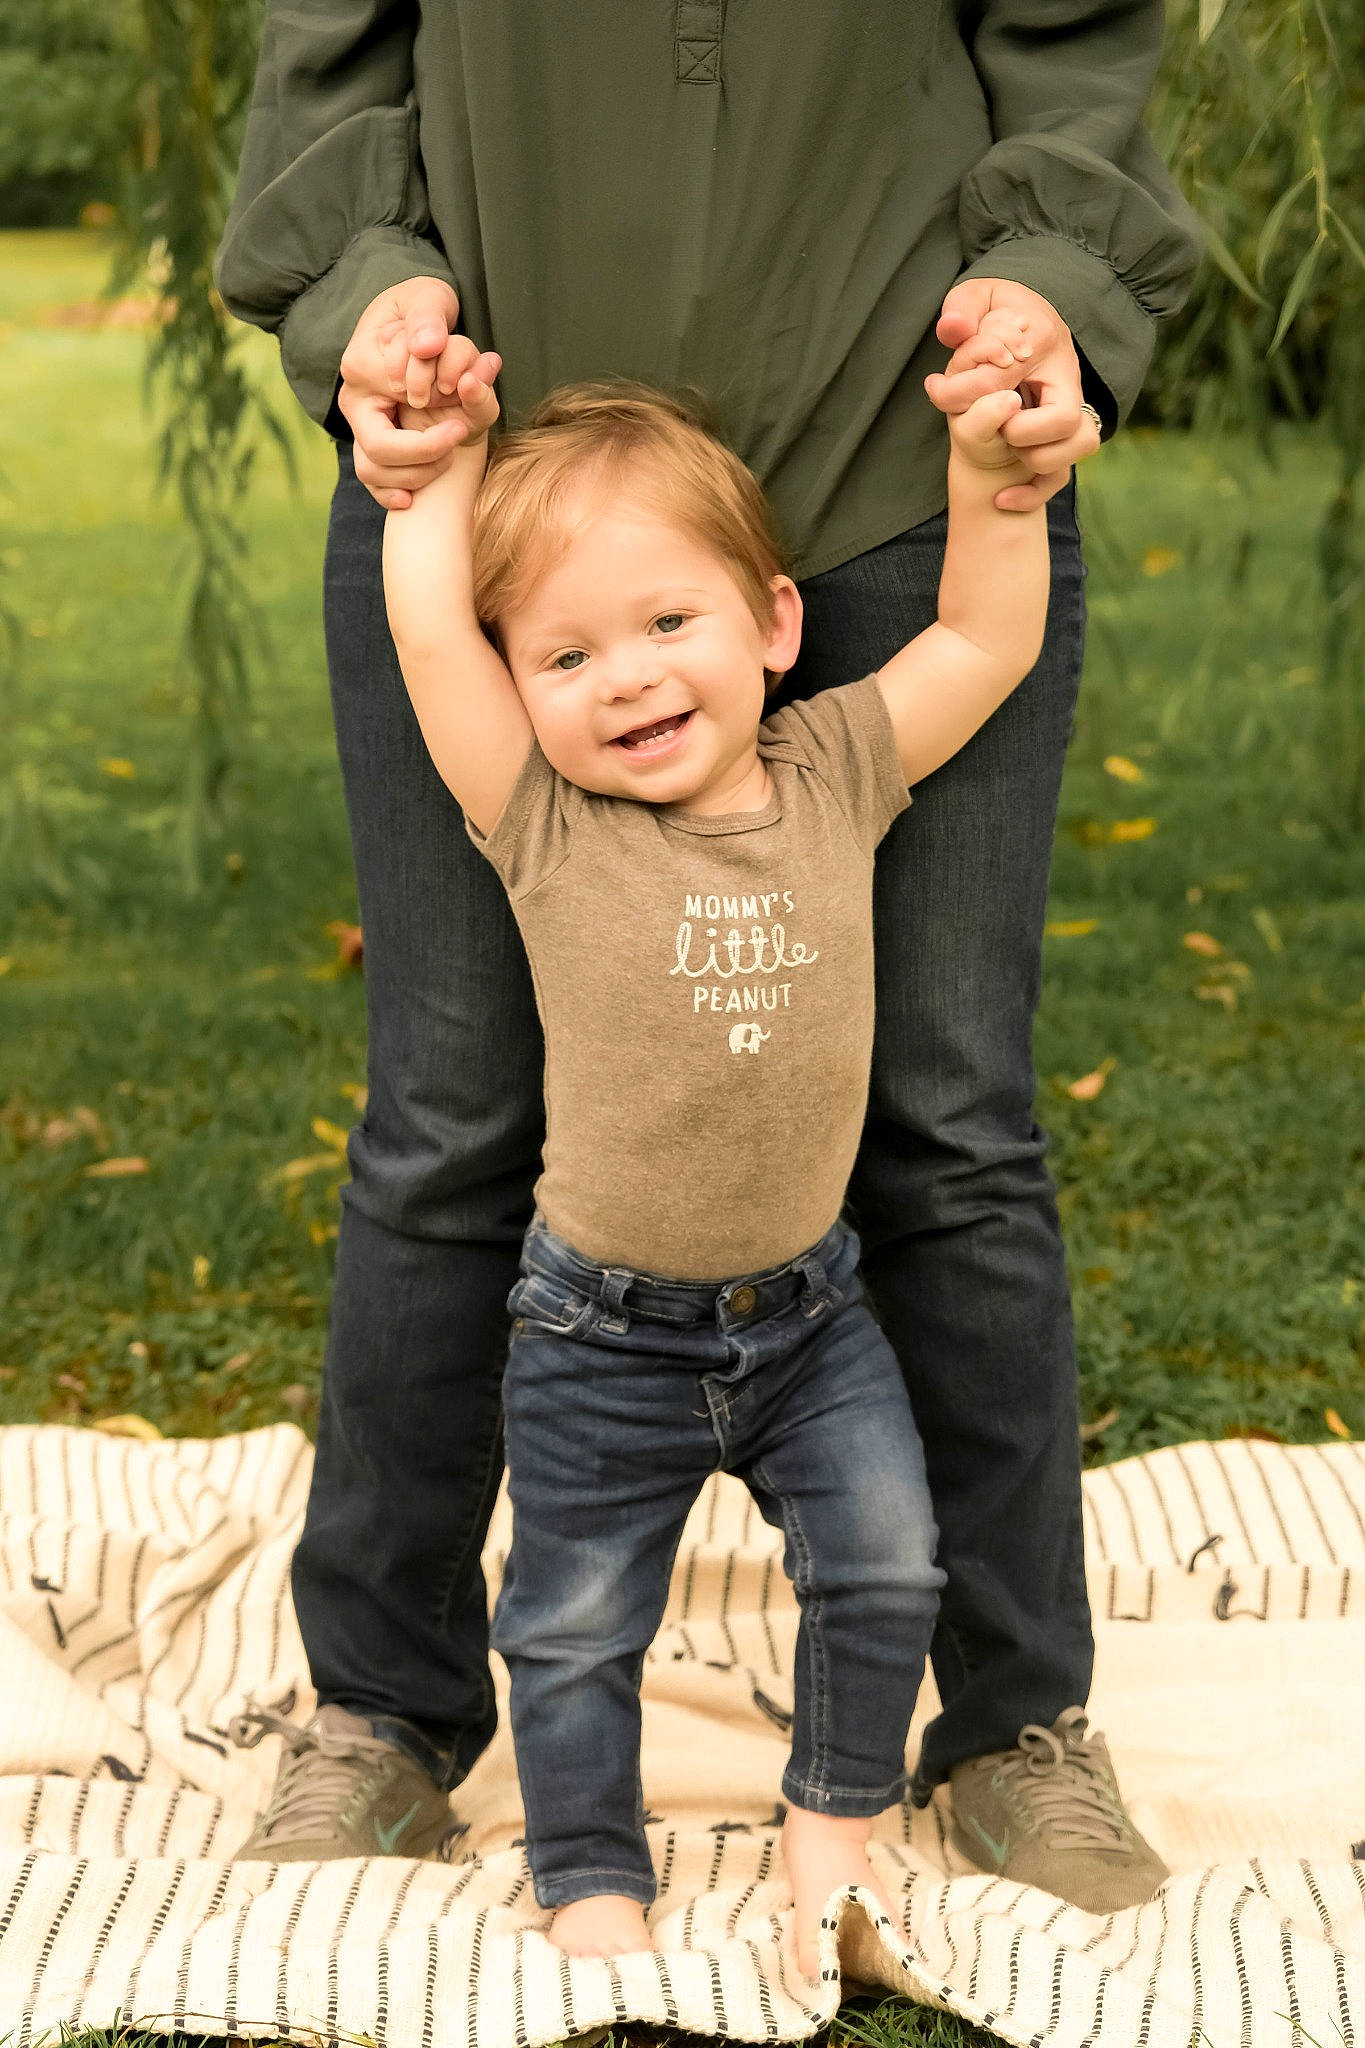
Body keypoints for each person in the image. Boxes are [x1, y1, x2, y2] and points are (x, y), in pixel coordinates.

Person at [217, 0, 1204, 1906]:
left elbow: (1075, 39)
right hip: (484, 490)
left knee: (948, 1122)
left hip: (901, 466)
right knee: (448, 1122)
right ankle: (386, 1710)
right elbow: (332, 52)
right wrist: (372, 299)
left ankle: (1012, 1721)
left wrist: (1046, 294)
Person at [373, 331, 1139, 1970]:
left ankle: (834, 1829)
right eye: (567, 653)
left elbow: (987, 637)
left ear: (773, 625)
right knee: (573, 1629)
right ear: (520, 693)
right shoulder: (543, 824)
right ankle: (588, 1876)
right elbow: (429, 630)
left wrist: (991, 489)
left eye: (668, 623)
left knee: (886, 1567)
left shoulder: (835, 767)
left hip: (809, 1318)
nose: (633, 675)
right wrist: (431, 471)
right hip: (597, 1332)